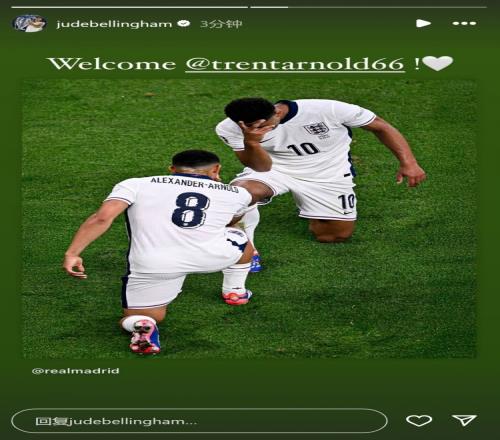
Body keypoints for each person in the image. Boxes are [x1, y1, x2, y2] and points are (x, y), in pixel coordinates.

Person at [62, 150, 256, 355]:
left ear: (172, 169)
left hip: (155, 264)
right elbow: (231, 221)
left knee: (142, 316)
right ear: (216, 169)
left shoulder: (135, 184)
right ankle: (235, 291)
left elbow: (102, 218)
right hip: (213, 256)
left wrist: (72, 253)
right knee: (237, 235)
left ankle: (142, 324)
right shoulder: (238, 193)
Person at [216, 97, 427, 270]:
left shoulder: (328, 109)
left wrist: (409, 163)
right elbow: (261, 167)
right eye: (252, 128)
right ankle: (244, 246)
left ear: (277, 113)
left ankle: (315, 209)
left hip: (328, 174)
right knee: (240, 195)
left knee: (333, 236)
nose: (262, 130)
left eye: (264, 126)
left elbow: (380, 126)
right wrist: (251, 142)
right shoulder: (229, 129)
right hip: (275, 169)